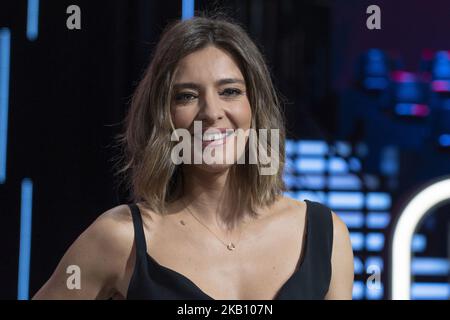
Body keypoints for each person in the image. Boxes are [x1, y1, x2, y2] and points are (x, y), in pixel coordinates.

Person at [33, 14, 353, 300]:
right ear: (164, 116)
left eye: (229, 91)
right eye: (186, 96)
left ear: (255, 107)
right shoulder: (121, 238)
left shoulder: (325, 235)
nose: (212, 113)